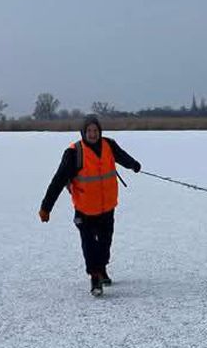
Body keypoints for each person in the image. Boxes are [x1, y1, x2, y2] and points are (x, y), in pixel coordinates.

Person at [39, 115, 141, 296]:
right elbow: (58, 181)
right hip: (84, 209)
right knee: (89, 245)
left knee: (105, 243)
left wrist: (133, 164)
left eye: (95, 131)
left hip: (107, 207)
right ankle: (95, 278)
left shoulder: (109, 145)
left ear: (100, 131)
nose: (93, 134)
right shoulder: (74, 153)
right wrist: (46, 208)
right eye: (89, 131)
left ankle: (102, 269)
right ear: (83, 132)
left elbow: (122, 157)